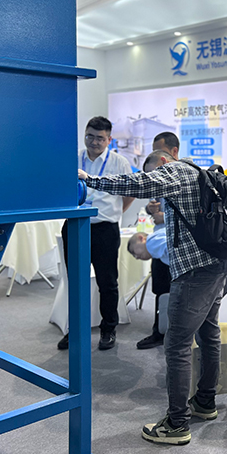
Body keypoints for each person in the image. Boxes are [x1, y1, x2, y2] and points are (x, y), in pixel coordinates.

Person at [79, 153, 227, 446]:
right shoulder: (197, 172)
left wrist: (92, 180)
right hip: (216, 265)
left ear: (163, 160)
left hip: (193, 274)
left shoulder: (174, 172)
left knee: (177, 345)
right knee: (208, 335)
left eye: (153, 173)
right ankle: (205, 401)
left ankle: (177, 424)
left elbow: (136, 183)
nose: (153, 180)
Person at [59, 116, 133, 351]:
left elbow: (129, 193)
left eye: (100, 138)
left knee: (107, 282)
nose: (94, 142)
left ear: (109, 140)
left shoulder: (119, 162)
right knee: (75, 282)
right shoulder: (73, 159)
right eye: (90, 136)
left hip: (104, 229)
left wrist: (114, 213)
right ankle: (75, 330)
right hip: (75, 226)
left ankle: (108, 329)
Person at [135, 150, 173, 350]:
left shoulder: (184, 181)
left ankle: (173, 333)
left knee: (177, 291)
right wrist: (151, 211)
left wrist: (165, 217)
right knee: (160, 288)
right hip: (161, 242)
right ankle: (159, 331)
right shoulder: (159, 184)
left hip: (176, 245)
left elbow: (194, 215)